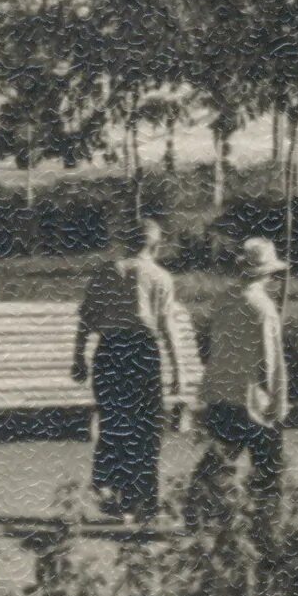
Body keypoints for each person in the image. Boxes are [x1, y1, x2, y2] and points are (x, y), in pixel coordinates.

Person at [71, 215, 188, 519]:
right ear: (156, 245)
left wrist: (78, 356)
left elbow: (86, 318)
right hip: (140, 351)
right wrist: (179, 370)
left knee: (114, 422)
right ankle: (142, 499)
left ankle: (111, 488)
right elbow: (167, 326)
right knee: (146, 427)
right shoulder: (160, 277)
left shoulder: (105, 273)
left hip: (109, 351)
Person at [187, 237, 290, 521]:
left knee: (221, 456)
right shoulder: (263, 308)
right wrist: (277, 401)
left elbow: (204, 343)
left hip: (219, 389)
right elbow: (271, 362)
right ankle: (267, 520)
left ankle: (199, 510)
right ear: (269, 273)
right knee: (269, 464)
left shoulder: (224, 300)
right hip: (249, 396)